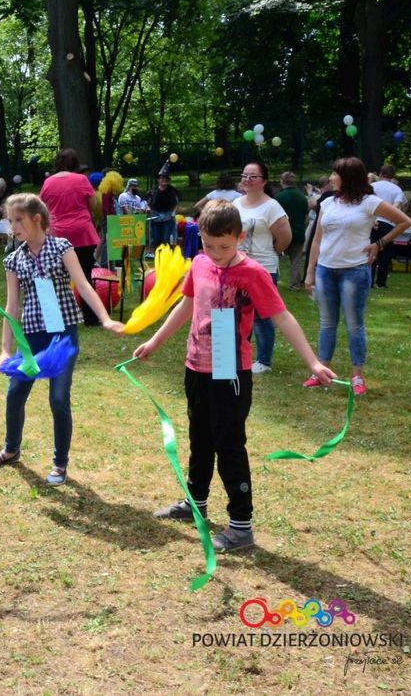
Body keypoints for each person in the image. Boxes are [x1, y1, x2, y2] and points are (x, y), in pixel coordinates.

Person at [136, 200, 335, 553]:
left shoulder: (252, 273)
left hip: (229, 368)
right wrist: (154, 341)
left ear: (240, 237)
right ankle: (194, 503)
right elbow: (186, 306)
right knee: (200, 438)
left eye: (224, 246)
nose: (215, 253)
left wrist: (313, 363)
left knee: (228, 445)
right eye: (209, 245)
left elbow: (281, 316)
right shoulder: (198, 263)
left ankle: (241, 525)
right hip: (195, 364)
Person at [0, 193, 124, 486]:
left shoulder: (61, 248)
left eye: (18, 220)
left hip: (62, 336)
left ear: (37, 219)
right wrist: (5, 349)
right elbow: (11, 306)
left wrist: (105, 318)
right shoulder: (13, 260)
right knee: (15, 394)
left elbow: (84, 285)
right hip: (31, 339)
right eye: (10, 221)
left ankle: (60, 464)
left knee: (59, 398)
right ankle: (11, 449)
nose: (13, 227)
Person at [304, 157, 411, 395]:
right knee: (327, 323)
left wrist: (379, 244)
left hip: (354, 270)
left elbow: (405, 221)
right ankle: (322, 372)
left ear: (348, 177)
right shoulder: (328, 203)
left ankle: (357, 376)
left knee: (354, 325)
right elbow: (317, 240)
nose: (331, 178)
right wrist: (310, 273)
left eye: (335, 173)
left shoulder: (370, 202)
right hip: (325, 269)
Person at [234, 161, 290, 374]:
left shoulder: (271, 206)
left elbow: (285, 237)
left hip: (263, 268)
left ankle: (264, 360)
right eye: (244, 175)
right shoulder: (237, 203)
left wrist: (272, 252)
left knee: (262, 316)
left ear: (264, 181)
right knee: (238, 313)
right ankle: (240, 354)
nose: (247, 180)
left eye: (253, 176)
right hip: (238, 266)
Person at [39, 148, 102, 326]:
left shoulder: (48, 183)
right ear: (75, 164)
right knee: (85, 277)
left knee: (56, 279)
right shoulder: (82, 180)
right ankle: (91, 318)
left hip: (57, 235)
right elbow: (93, 204)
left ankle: (56, 319)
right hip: (82, 234)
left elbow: (42, 208)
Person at [369, 164, 406, 288]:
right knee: (385, 253)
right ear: (392, 176)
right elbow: (395, 208)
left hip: (373, 222)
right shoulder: (397, 190)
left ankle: (369, 281)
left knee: (370, 251)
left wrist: (373, 218)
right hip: (388, 223)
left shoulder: (372, 186)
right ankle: (381, 282)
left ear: (380, 174)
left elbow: (368, 204)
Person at [275, 172, 311, 290]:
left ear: (282, 181)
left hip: (282, 233)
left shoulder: (279, 197)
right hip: (298, 232)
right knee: (296, 261)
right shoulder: (301, 196)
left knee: (275, 259)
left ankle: (271, 281)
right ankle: (295, 284)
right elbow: (306, 215)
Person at [147, 169, 180, 249]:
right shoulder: (153, 191)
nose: (164, 180)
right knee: (156, 238)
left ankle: (165, 254)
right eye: (162, 178)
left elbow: (175, 204)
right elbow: (148, 203)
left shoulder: (171, 191)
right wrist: (148, 209)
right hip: (155, 217)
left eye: (165, 178)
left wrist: (172, 213)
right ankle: (157, 255)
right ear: (158, 180)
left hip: (167, 218)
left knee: (165, 239)